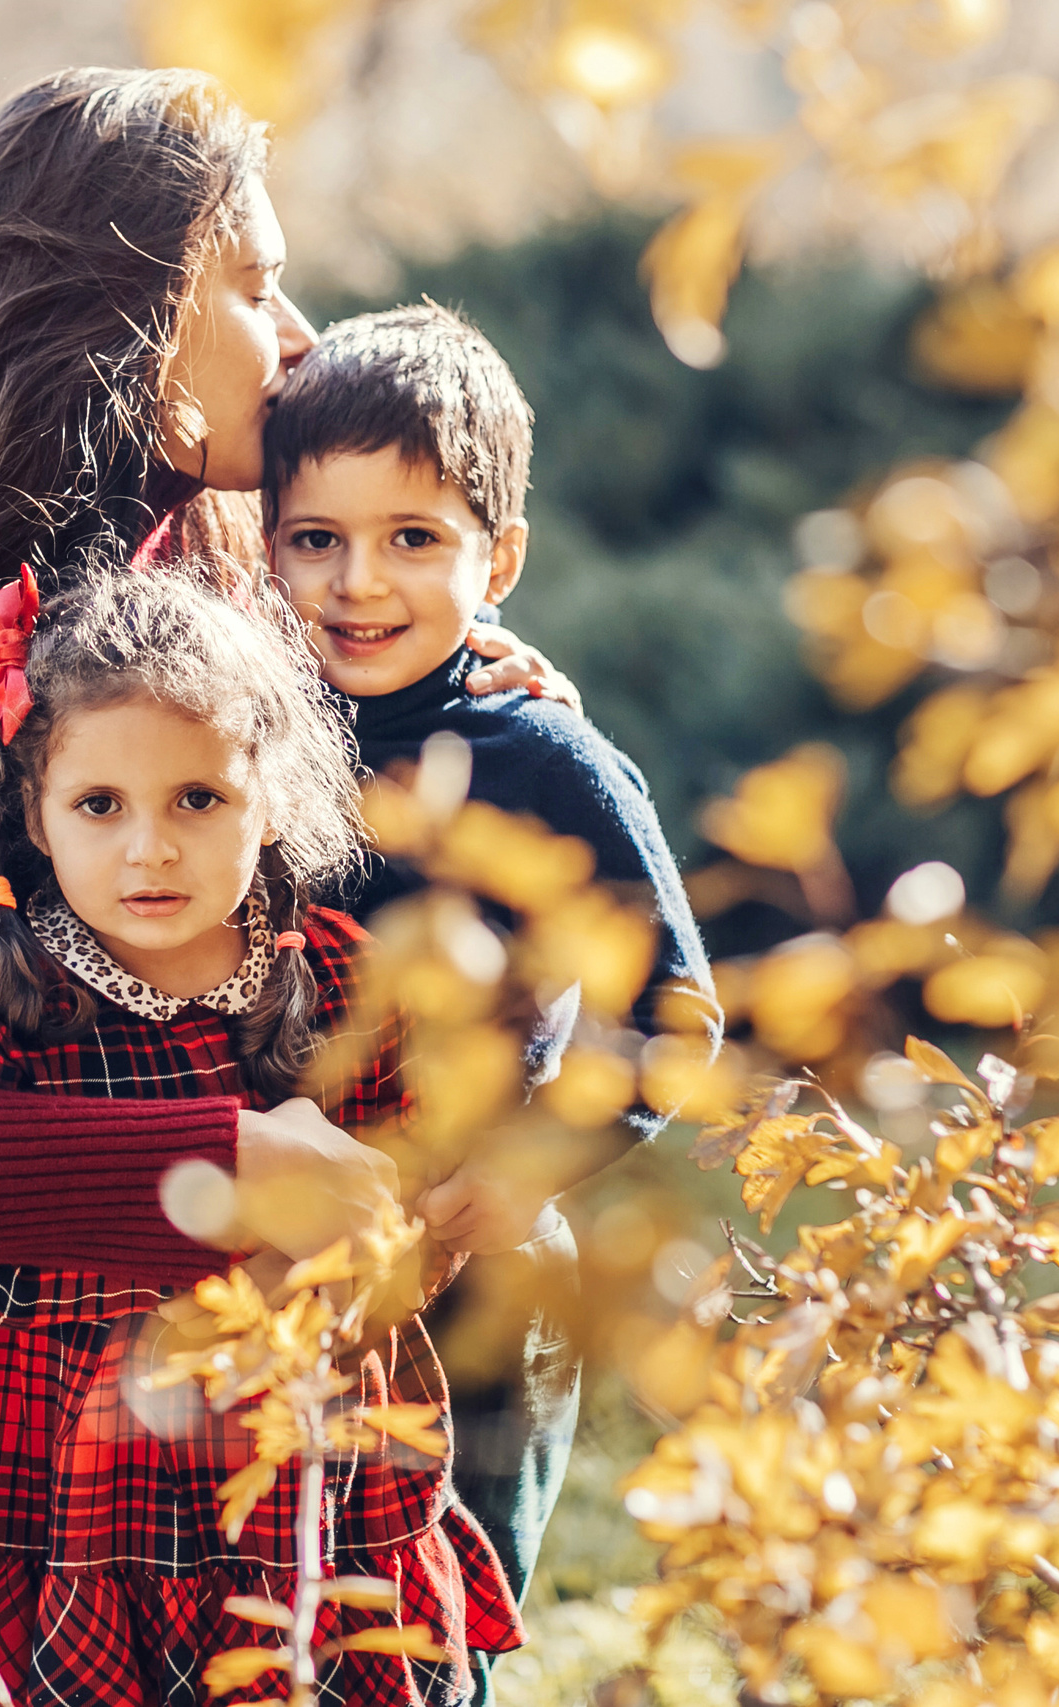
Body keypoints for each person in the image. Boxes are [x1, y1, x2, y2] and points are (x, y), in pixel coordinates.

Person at [0, 71, 571, 1678]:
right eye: (250, 282)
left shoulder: (216, 604)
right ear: (133, 320)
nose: (297, 333)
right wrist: (216, 1171)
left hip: (185, 1485)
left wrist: (475, 708)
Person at [0, 570, 522, 1703]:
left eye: (197, 800)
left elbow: (410, 1194)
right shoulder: (12, 998)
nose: (149, 850)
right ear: (35, 815)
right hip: (83, 1495)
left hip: (313, 1468)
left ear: (270, 795)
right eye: (99, 805)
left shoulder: (344, 973)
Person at [260, 303, 722, 1642]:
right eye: (317, 541)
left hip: (481, 1282)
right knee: (286, 1619)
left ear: (499, 555)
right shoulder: (252, 731)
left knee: (438, 1620)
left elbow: (672, 1015)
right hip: (288, 1271)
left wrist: (501, 1183)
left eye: (413, 540)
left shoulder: (543, 760)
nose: (359, 583)